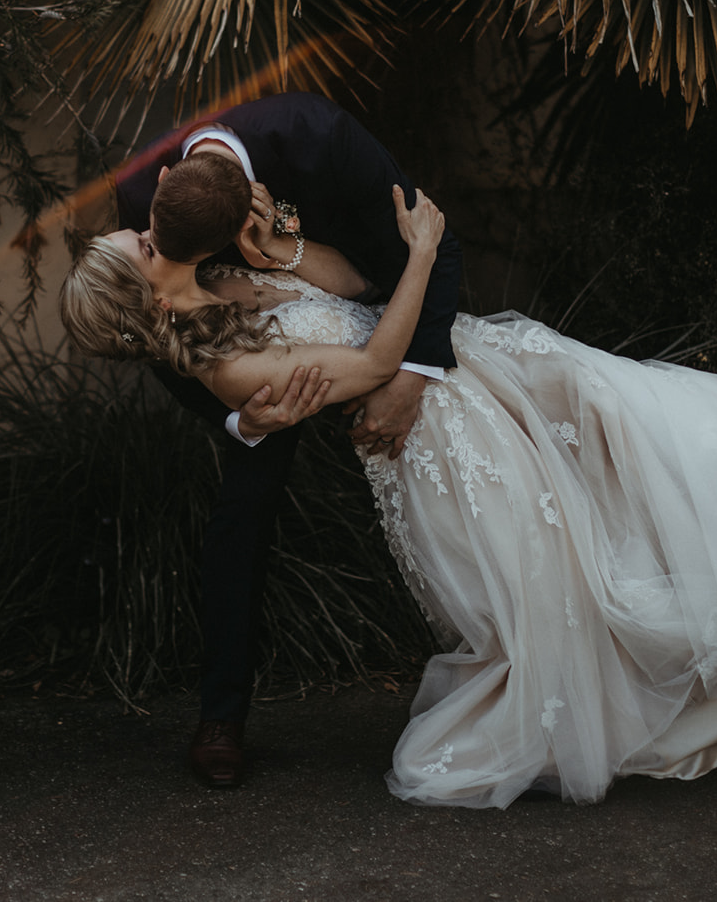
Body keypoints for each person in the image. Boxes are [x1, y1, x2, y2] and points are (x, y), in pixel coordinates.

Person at [61, 143, 717, 810]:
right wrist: (424, 252)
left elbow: (342, 289)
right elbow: (371, 366)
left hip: (485, 377)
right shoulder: (220, 361)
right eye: (136, 244)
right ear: (138, 290)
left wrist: (275, 243)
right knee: (571, 584)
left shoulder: (225, 276)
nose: (147, 230)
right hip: (438, 440)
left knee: (666, 458)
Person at [87, 92, 464, 789]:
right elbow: (150, 329)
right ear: (163, 188)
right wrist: (239, 417)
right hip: (246, 363)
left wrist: (413, 373)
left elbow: (419, 244)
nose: (157, 248)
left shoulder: (317, 137)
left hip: (361, 316)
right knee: (241, 514)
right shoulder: (142, 194)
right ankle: (220, 716)